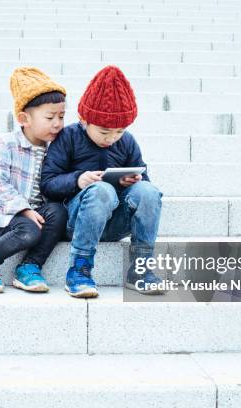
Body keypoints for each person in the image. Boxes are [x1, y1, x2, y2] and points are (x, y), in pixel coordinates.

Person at [40, 65, 165, 298]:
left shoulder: (126, 141)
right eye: (105, 132)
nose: (112, 138)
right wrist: (78, 180)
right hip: (77, 220)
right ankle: (79, 269)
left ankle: (141, 268)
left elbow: (144, 182)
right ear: (84, 120)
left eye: (119, 131)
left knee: (148, 191)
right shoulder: (68, 137)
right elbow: (47, 183)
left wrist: (134, 180)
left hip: (115, 221)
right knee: (101, 190)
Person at [0, 67, 68, 293]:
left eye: (61, 116)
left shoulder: (56, 147)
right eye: (50, 117)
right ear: (23, 118)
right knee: (29, 229)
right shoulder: (7, 143)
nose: (57, 123)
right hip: (1, 216)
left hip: (35, 215)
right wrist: (24, 209)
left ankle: (29, 267)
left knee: (58, 212)